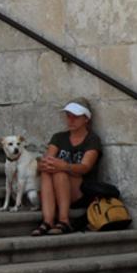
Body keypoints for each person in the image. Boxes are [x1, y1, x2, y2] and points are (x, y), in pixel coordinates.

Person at [33, 98, 102, 236]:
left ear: (86, 119)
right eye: (68, 116)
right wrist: (43, 164)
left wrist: (65, 166)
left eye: (75, 117)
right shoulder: (59, 137)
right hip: (57, 187)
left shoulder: (92, 139)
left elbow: (85, 167)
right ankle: (47, 221)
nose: (70, 120)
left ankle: (64, 220)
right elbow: (48, 159)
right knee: (48, 172)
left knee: (60, 172)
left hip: (81, 190)